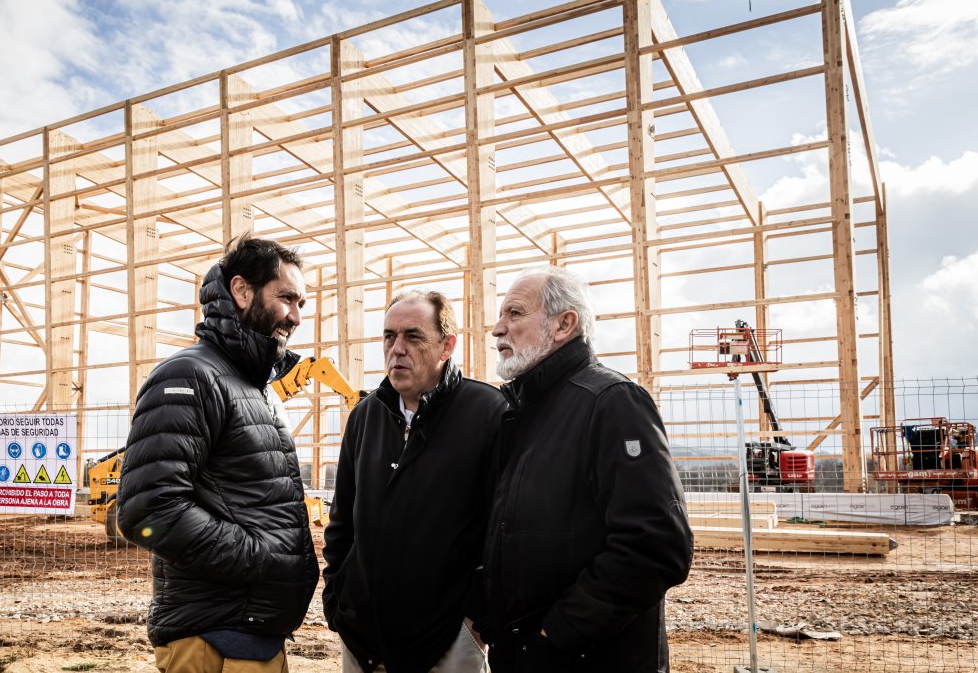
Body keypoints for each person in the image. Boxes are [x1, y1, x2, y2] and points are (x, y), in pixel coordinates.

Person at [117, 234, 319, 673]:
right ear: (243, 291)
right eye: (287, 298)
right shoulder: (190, 375)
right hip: (213, 640)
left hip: (252, 635)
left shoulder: (253, 386)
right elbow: (148, 511)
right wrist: (261, 557)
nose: (297, 316)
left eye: (302, 303)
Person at [481, 266, 693, 672]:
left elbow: (656, 546)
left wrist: (556, 633)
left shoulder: (612, 402)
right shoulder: (519, 414)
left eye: (514, 313)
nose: (497, 328)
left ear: (564, 325)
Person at [323, 290, 506, 673]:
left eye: (413, 336)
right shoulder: (365, 416)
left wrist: (475, 620)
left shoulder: (489, 413)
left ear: (446, 346)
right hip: (362, 638)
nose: (397, 348)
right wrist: (338, 598)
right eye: (389, 336)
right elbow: (341, 524)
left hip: (449, 641)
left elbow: (505, 532)